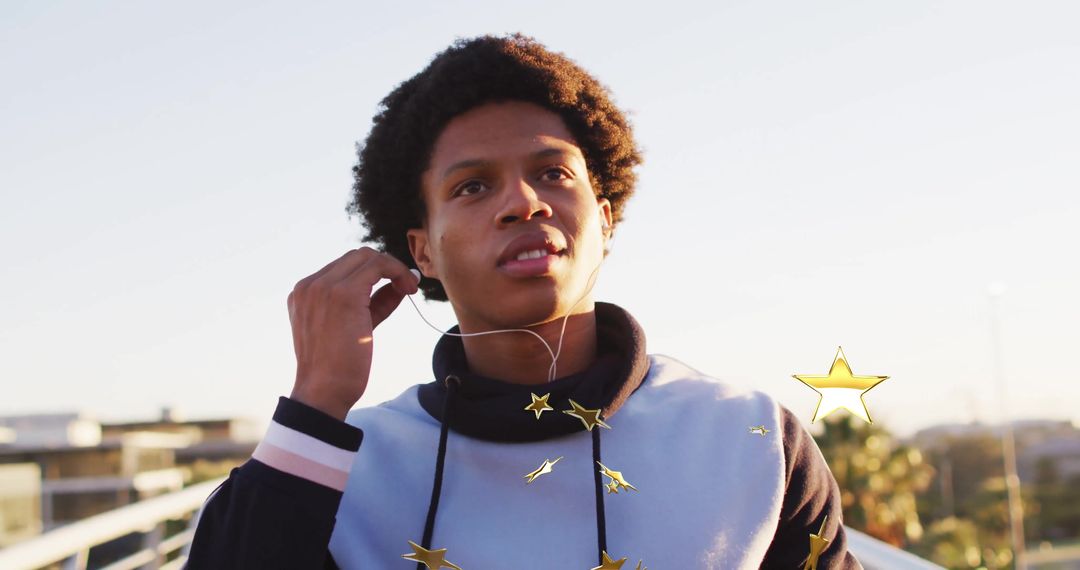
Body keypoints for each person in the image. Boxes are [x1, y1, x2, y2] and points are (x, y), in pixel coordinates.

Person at [187, 33, 862, 569]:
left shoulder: (748, 437)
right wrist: (315, 402)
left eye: (552, 173)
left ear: (603, 218)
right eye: (473, 188)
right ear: (422, 252)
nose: (523, 203)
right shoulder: (347, 470)